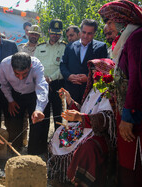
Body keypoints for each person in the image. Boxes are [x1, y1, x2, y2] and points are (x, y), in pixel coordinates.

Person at [48, 58, 116, 186]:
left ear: (107, 73)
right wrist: (69, 100)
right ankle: (61, 175)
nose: (95, 75)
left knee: (87, 147)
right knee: (58, 133)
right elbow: (83, 110)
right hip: (84, 127)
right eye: (93, 72)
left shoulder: (110, 93)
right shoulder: (93, 90)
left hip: (100, 133)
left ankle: (78, 181)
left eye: (99, 72)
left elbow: (106, 120)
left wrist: (80, 118)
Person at [98, 1, 142, 186]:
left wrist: (127, 117)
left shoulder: (136, 38)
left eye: (110, 22)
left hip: (135, 117)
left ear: (122, 19)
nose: (106, 27)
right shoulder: (129, 38)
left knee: (134, 164)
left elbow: (136, 80)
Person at [0, 52, 48, 153]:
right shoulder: (4, 64)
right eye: (17, 74)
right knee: (15, 122)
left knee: (36, 123)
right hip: (15, 96)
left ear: (30, 66)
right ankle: (15, 150)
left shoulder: (36, 65)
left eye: (25, 74)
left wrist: (39, 109)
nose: (21, 78)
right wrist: (10, 100)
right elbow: (4, 85)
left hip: (33, 95)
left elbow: (42, 87)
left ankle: (33, 153)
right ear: (11, 67)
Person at [60, 19, 108, 104]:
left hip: (91, 93)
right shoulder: (70, 46)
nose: (86, 36)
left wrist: (88, 77)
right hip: (71, 92)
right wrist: (69, 76)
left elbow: (103, 69)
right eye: (84, 32)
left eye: (89, 33)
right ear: (80, 32)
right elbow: (63, 64)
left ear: (94, 34)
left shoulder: (101, 48)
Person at [35, 19, 66, 136]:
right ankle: (42, 144)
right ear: (48, 31)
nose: (55, 36)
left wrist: (51, 78)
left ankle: (58, 143)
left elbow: (63, 67)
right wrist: (44, 80)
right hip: (42, 84)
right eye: (53, 33)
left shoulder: (64, 47)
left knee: (59, 114)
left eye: (58, 33)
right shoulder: (40, 47)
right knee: (43, 114)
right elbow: (35, 65)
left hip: (57, 84)